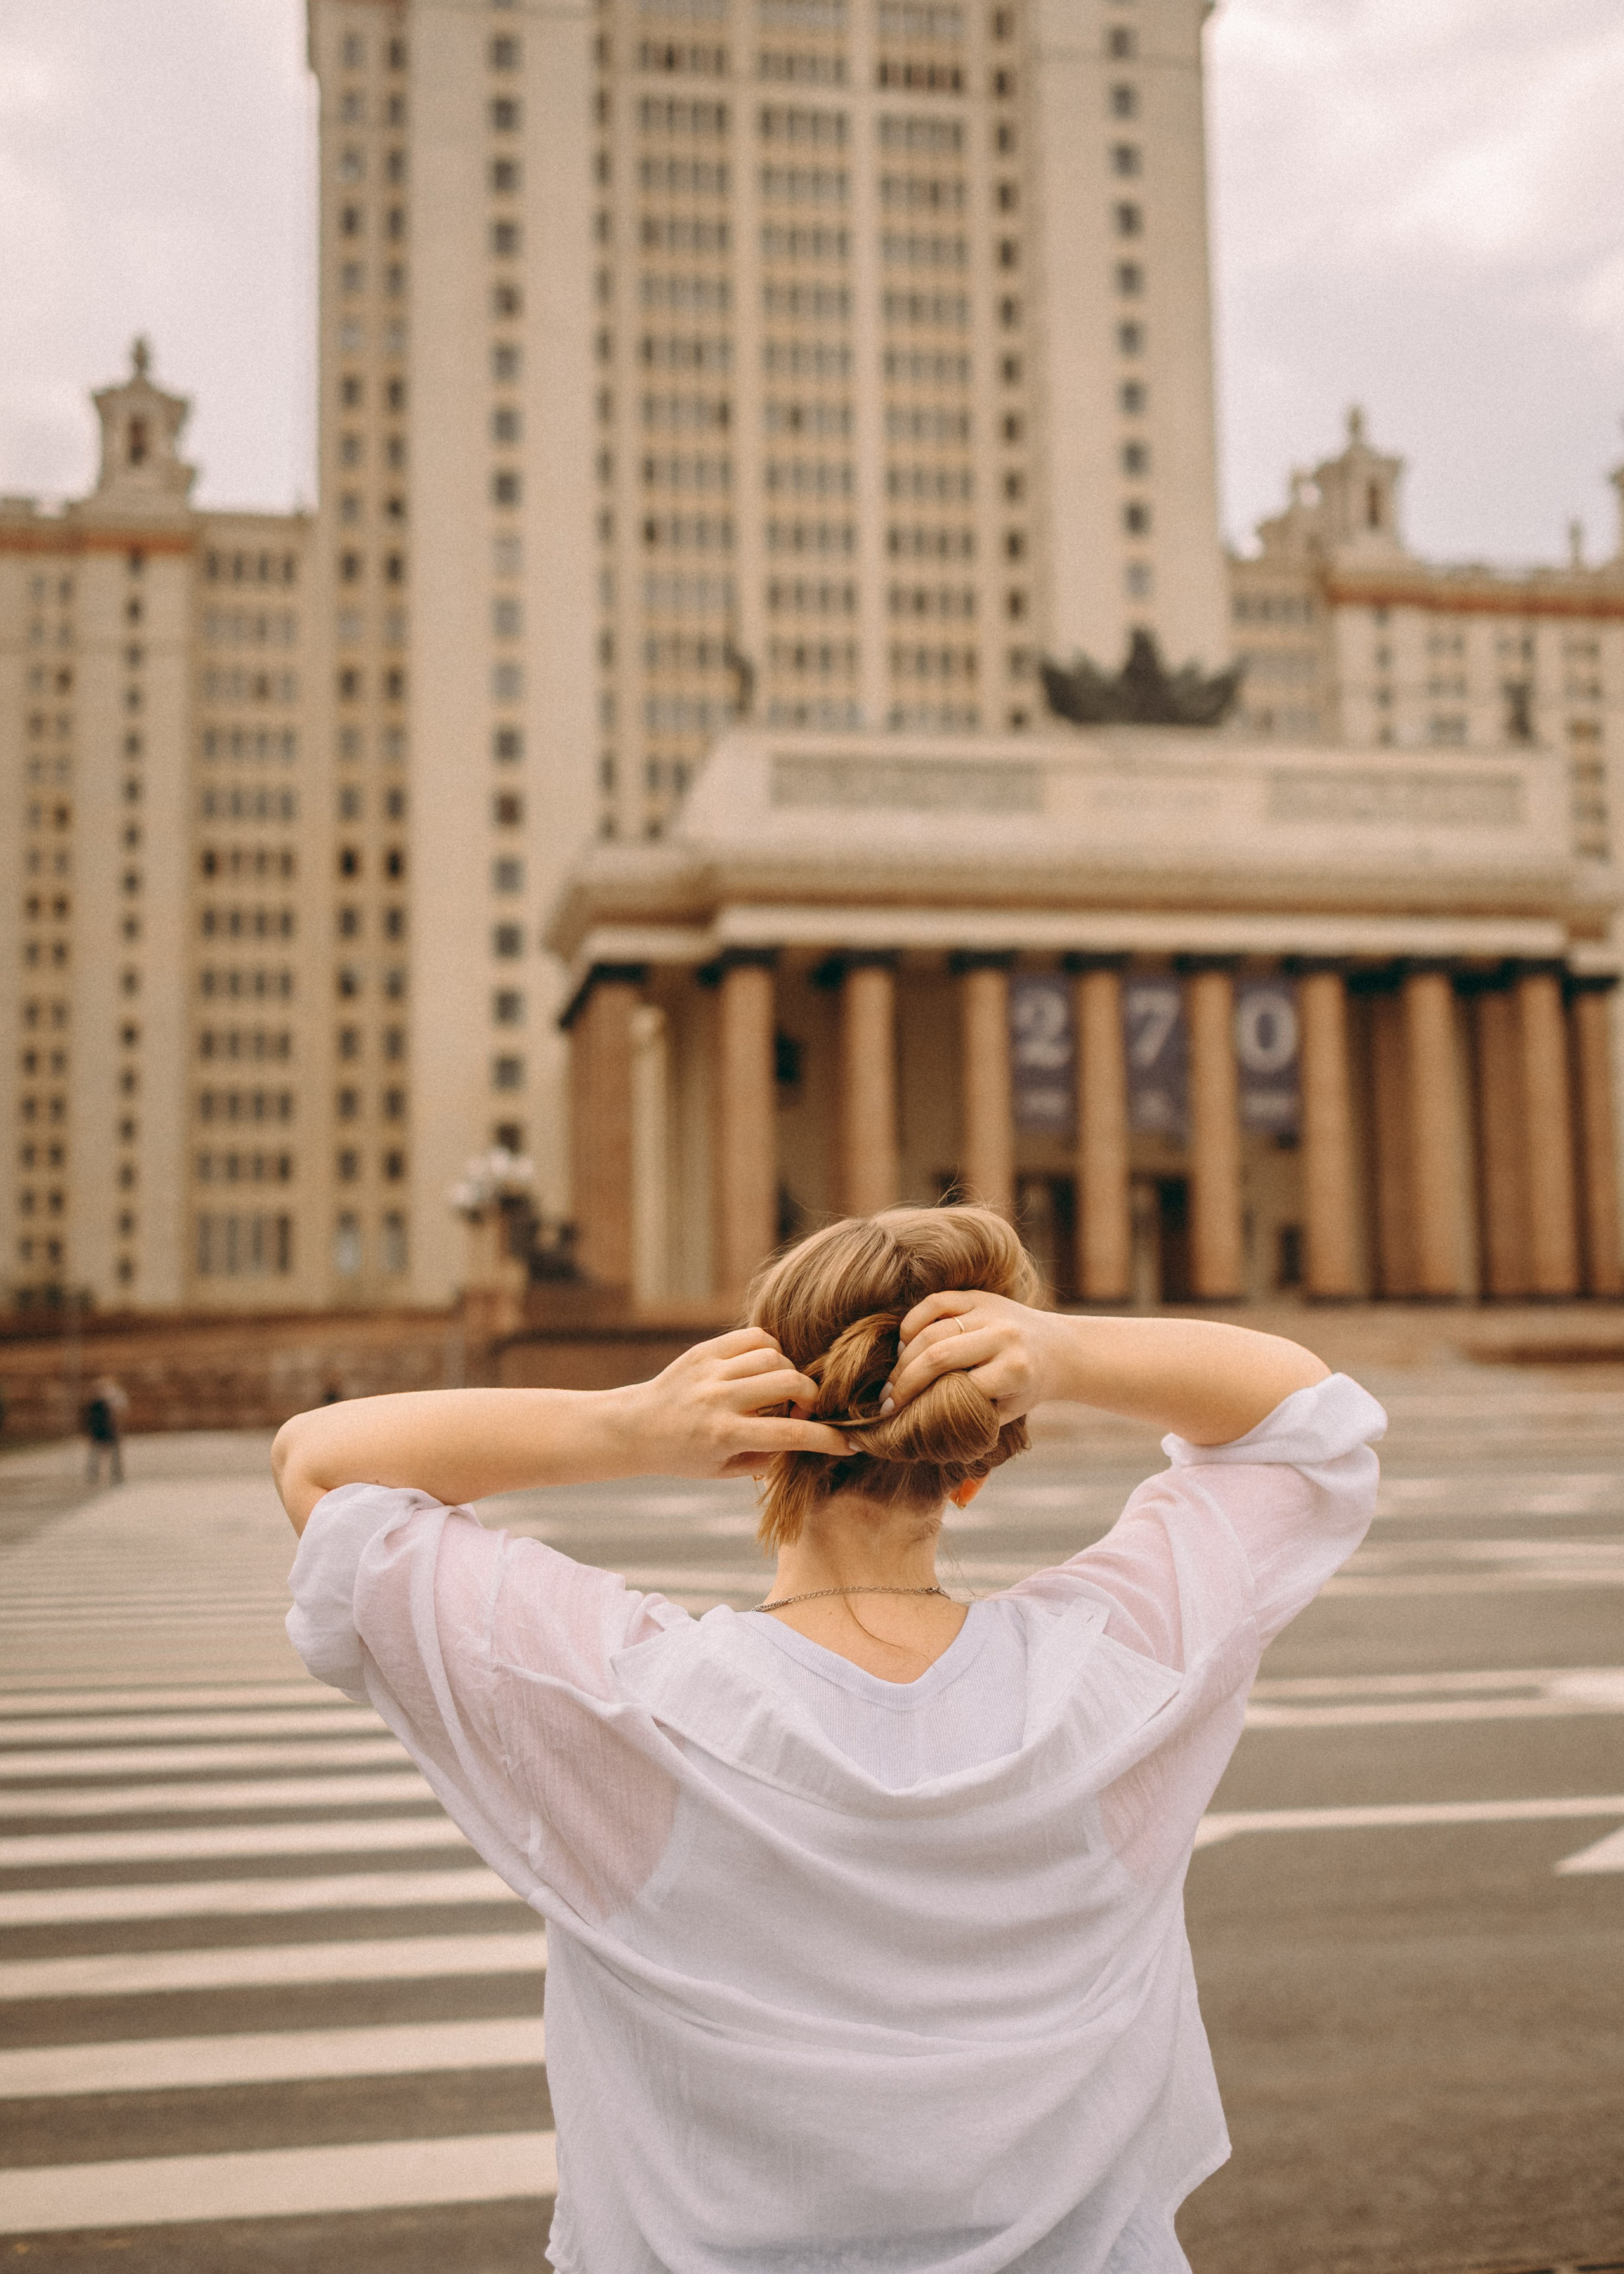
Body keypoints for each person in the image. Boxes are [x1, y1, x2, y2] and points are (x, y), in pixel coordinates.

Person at [276, 1205, 1384, 2274]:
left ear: (760, 1443)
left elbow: (321, 1464)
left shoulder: (628, 1701)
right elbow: (1305, 1423)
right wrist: (1066, 1350)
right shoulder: (1118, 1675)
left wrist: (629, 1424)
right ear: (977, 1459)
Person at [82, 1376, 129, 1485]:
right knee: (95, 1452)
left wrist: (116, 1427)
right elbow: (90, 1418)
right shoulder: (95, 1404)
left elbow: (117, 1414)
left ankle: (116, 1473)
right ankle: (93, 1474)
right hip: (99, 1429)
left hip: (109, 1428)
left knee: (114, 1452)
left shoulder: (111, 1400)